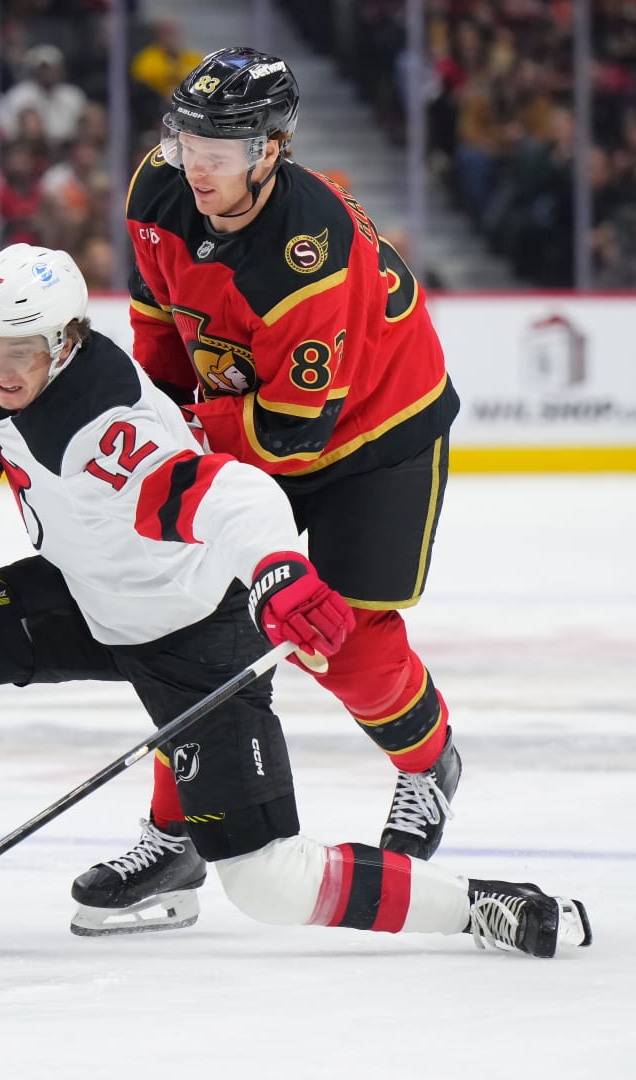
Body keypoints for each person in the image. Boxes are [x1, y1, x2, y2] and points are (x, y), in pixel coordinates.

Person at [0, 242, 590, 958]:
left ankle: (479, 904)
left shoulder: (110, 426)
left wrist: (280, 571)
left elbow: (230, 494)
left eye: (23, 351)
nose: (1, 370)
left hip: (195, 631)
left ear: (67, 342)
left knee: (268, 881)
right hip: (88, 596)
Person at [108, 46, 465, 931]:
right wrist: (154, 416)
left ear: (270, 150)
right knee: (193, 624)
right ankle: (178, 830)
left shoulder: (308, 258)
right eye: (186, 142)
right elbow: (158, 318)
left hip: (375, 434)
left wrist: (188, 434)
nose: (195, 166)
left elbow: (295, 431)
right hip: (254, 413)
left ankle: (427, 762)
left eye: (219, 151)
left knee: (340, 640)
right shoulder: (157, 187)